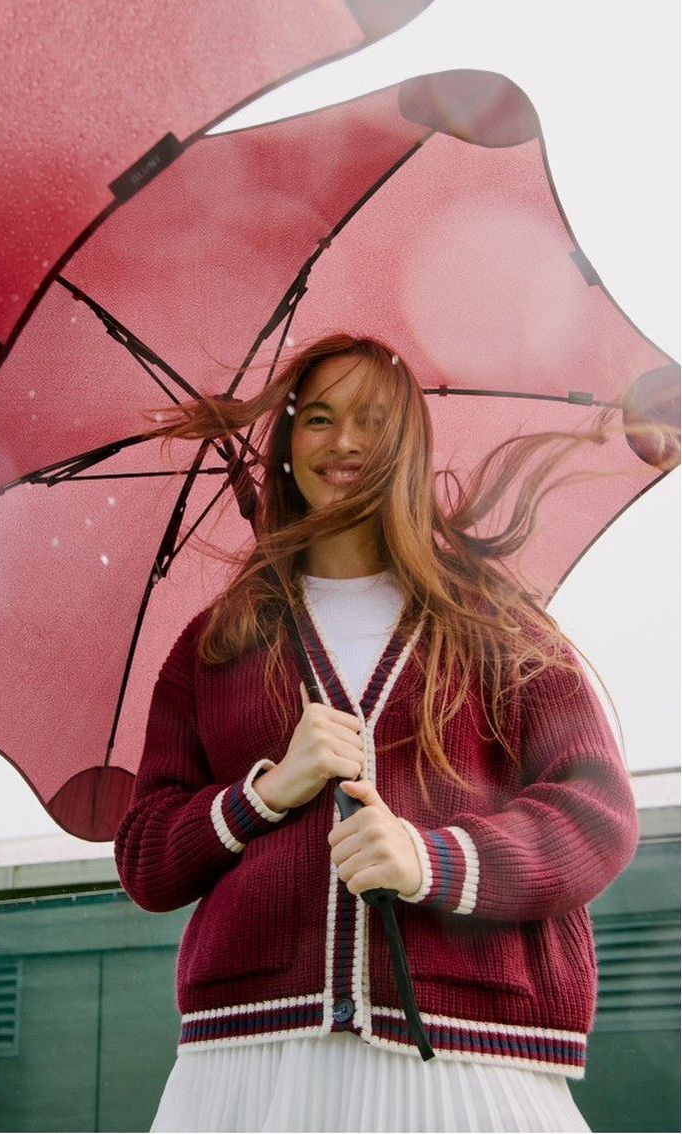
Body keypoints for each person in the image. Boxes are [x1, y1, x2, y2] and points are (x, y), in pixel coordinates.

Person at [115, 332, 640, 1133]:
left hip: (464, 1058)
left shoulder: (497, 625)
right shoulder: (216, 644)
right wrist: (264, 794)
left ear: (409, 444)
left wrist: (433, 861)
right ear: (287, 445)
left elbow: (595, 814)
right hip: (245, 1064)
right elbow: (147, 859)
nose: (345, 443)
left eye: (372, 420)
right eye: (319, 419)